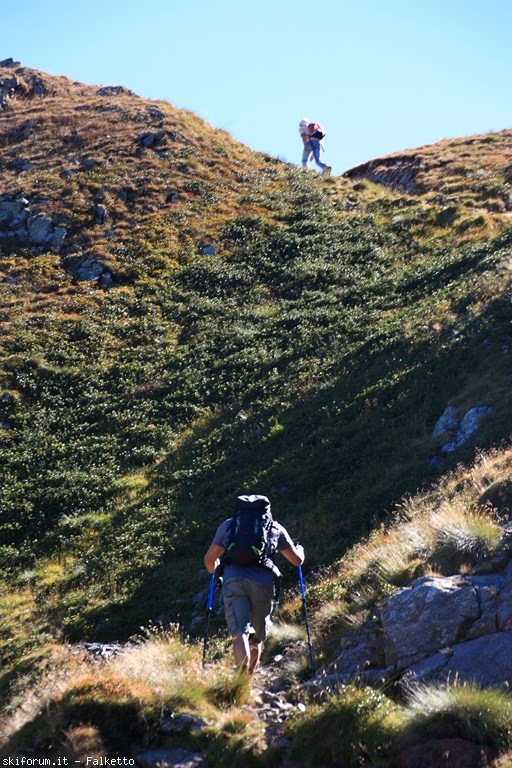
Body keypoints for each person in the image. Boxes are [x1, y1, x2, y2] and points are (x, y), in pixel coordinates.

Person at [203, 495, 305, 675]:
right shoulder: (274, 527)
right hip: (263, 583)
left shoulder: (228, 526)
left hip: (234, 580)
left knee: (239, 633)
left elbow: (209, 560)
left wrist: (215, 568)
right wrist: (301, 552)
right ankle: (249, 678)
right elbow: (296, 561)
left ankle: (241, 682)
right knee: (257, 637)